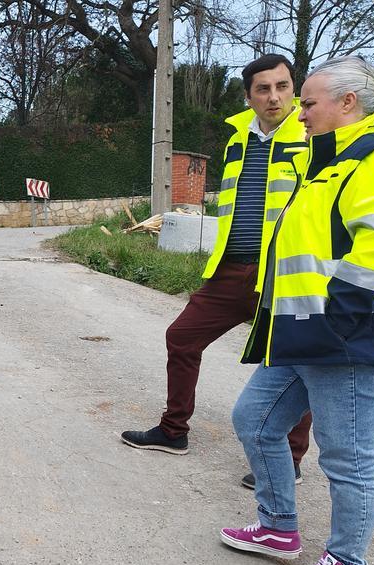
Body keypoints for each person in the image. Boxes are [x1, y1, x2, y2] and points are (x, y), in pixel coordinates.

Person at [220, 55, 374, 565]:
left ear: (348, 104)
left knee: (348, 459)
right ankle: (277, 527)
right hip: (305, 333)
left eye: (308, 102)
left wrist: (337, 326)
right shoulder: (326, 162)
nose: (299, 113)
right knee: (255, 420)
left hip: (349, 338)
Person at [121, 54, 313, 488]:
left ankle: (291, 458)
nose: (274, 97)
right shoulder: (237, 142)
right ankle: (173, 432)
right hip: (232, 268)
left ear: (293, 89)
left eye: (282, 86)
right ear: (248, 97)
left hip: (286, 271)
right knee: (182, 336)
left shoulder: (312, 137)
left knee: (293, 359)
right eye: (263, 89)